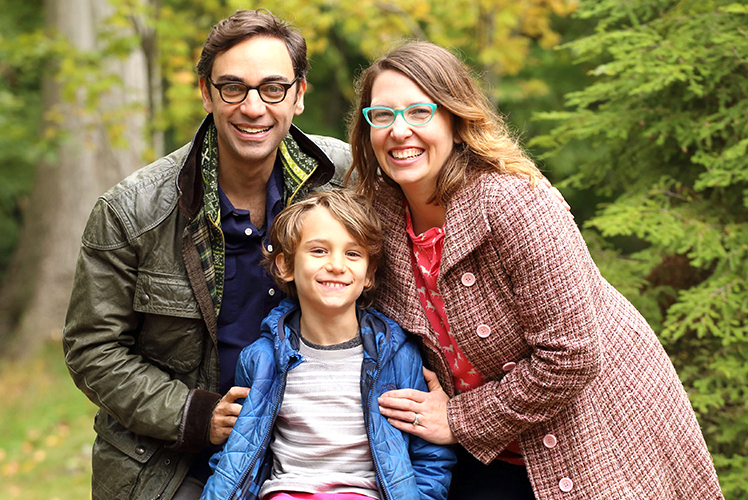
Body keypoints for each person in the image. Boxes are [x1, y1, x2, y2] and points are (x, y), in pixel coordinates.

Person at [347, 41, 723, 500]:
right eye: (382, 116)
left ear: (454, 119)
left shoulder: (515, 202)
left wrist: (460, 419)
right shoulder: (376, 218)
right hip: (478, 451)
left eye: (419, 112)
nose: (399, 131)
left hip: (589, 435)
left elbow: (572, 356)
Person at [62, 9, 351, 500]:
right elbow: (93, 348)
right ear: (206, 93)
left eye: (273, 88)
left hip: (318, 452)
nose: (253, 107)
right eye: (233, 88)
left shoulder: (342, 179)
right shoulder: (132, 211)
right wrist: (195, 415)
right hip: (173, 465)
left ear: (299, 95)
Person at [200, 189, 455, 500]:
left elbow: (430, 457)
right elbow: (236, 454)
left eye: (352, 254)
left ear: (370, 273)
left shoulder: (398, 357)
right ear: (285, 266)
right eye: (319, 251)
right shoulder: (261, 358)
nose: (336, 265)